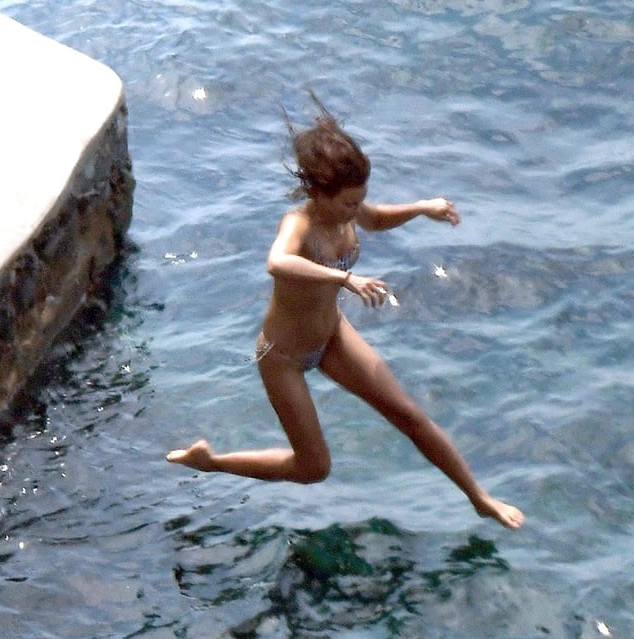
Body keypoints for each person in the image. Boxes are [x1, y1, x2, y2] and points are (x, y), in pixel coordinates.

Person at [167, 97, 524, 530]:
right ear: (319, 193)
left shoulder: (349, 212)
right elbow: (277, 262)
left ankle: (479, 497)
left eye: (360, 201)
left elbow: (375, 219)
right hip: (284, 358)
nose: (356, 211)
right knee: (314, 468)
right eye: (348, 203)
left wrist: (422, 207)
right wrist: (344, 280)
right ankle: (212, 462)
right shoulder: (299, 224)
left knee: (409, 415)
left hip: (332, 336)